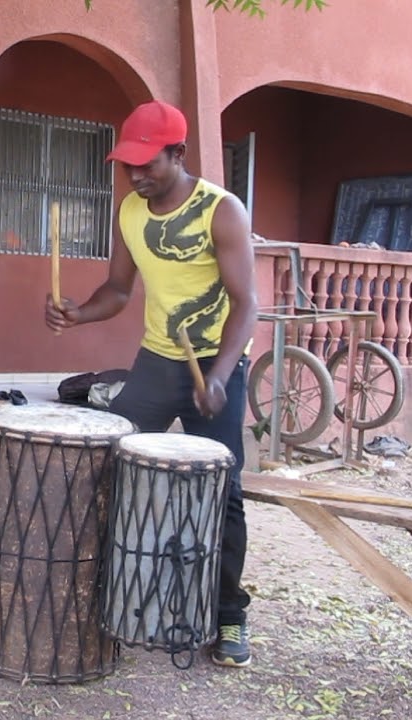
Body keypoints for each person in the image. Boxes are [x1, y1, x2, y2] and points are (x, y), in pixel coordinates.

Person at [45, 100, 258, 667]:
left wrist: (216, 376)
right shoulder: (132, 213)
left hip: (216, 361)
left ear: (178, 154)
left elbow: (246, 304)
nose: (137, 175)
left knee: (223, 489)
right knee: (111, 465)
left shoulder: (221, 211)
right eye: (127, 165)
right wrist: (76, 313)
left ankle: (229, 615)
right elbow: (118, 291)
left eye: (147, 163)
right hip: (159, 360)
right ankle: (112, 594)